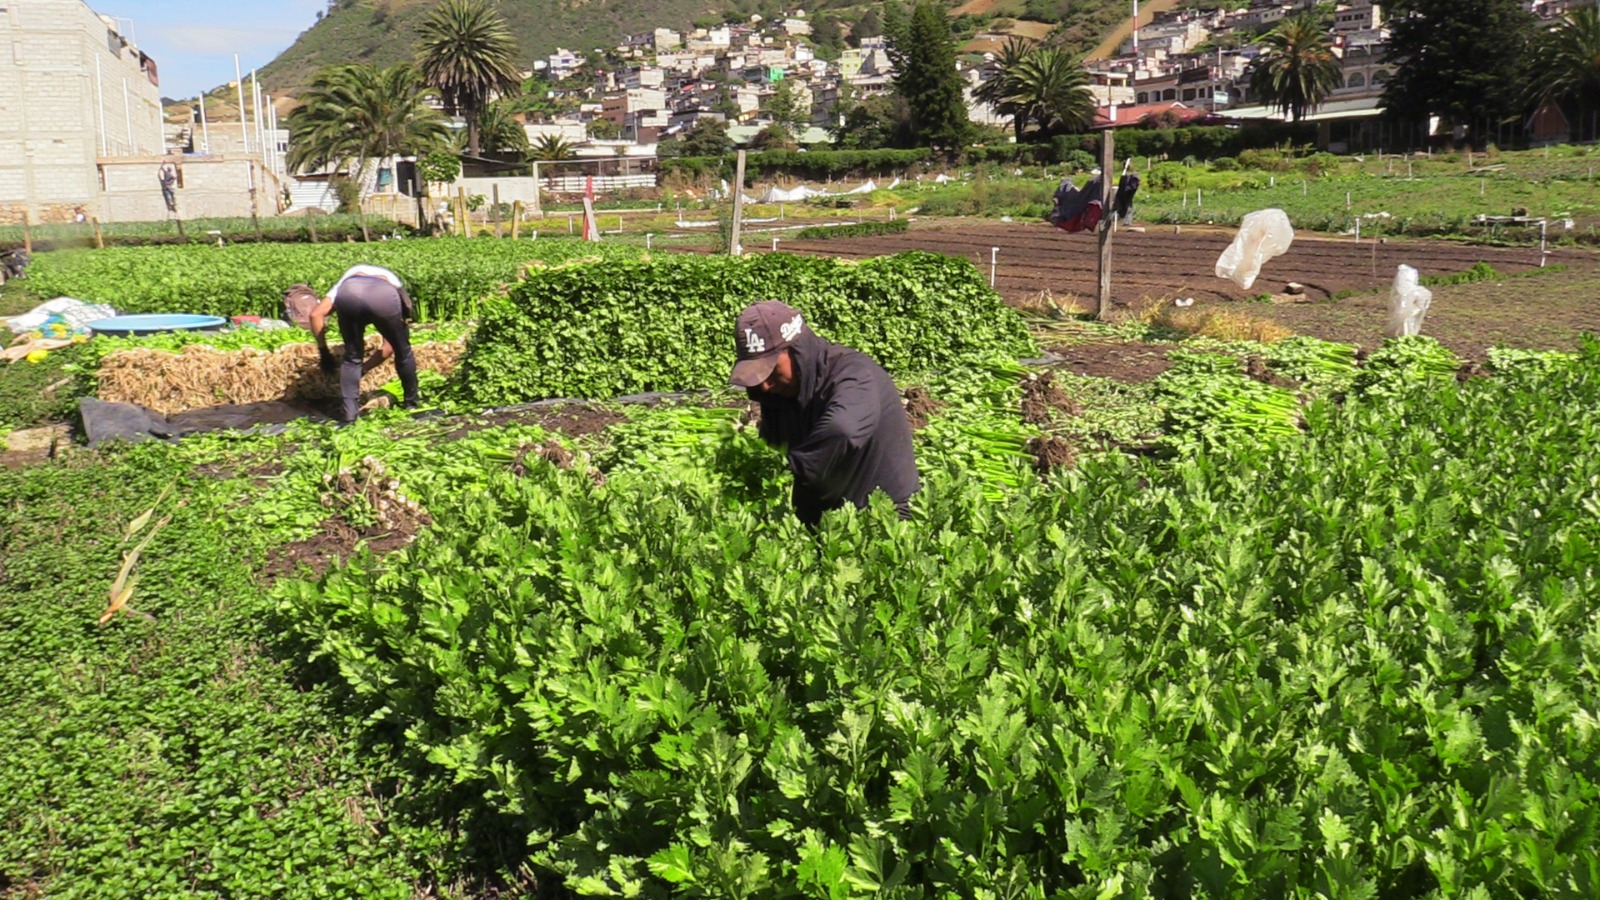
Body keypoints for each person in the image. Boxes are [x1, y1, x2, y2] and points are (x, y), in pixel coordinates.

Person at [731, 301, 919, 527]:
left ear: (796, 351)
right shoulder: (779, 391)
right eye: (758, 375)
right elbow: (774, 449)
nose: (765, 384)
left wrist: (792, 472)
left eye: (771, 370)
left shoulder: (854, 374)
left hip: (883, 520)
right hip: (825, 523)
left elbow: (843, 430)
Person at [307, 264, 419, 422]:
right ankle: (411, 404)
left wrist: (324, 352)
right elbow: (389, 347)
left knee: (352, 358)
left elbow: (315, 315)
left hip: (349, 294)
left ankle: (350, 415)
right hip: (383, 297)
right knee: (403, 351)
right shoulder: (394, 283)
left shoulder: (344, 282)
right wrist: (365, 369)